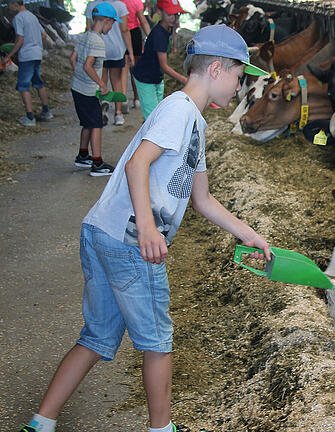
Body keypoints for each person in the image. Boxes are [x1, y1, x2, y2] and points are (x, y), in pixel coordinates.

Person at [17, 25, 271, 432]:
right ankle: (161, 429)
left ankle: (41, 422)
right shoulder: (179, 110)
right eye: (240, 78)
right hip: (131, 242)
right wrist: (149, 229)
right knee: (158, 342)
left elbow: (202, 199)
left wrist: (247, 233)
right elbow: (138, 165)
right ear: (219, 68)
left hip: (103, 231)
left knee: (97, 338)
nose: (239, 88)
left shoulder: (195, 124)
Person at [68, 3, 117, 176]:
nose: (111, 28)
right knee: (96, 124)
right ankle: (97, 163)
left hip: (77, 87)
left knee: (88, 122)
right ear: (106, 21)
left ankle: (83, 155)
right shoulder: (98, 41)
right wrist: (101, 84)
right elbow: (89, 66)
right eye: (112, 24)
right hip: (88, 91)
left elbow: (73, 58)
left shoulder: (84, 36)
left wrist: (79, 76)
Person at [131, 0, 187, 120]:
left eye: (176, 14)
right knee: (152, 117)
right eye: (170, 14)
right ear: (159, 12)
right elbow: (164, 66)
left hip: (156, 77)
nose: (174, 18)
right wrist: (184, 80)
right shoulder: (159, 35)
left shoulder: (168, 28)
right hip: (145, 78)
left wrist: (175, 32)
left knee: (158, 112)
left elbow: (172, 48)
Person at [85, 0, 133, 125]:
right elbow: (125, 29)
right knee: (116, 80)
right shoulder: (120, 5)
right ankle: (118, 114)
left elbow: (88, 29)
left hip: (98, 48)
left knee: (101, 80)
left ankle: (103, 106)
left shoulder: (92, 5)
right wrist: (130, 51)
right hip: (116, 49)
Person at [6, 0, 52, 127]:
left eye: (9, 4)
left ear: (15, 4)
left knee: (23, 85)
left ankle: (30, 117)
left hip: (26, 55)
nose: (8, 7)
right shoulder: (32, 16)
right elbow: (43, 35)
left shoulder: (18, 18)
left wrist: (8, 56)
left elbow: (20, 39)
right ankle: (46, 111)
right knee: (38, 82)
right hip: (37, 53)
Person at [123, 0, 151, 110]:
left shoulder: (118, 2)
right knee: (135, 68)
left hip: (120, 34)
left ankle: (123, 98)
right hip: (134, 33)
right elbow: (143, 20)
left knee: (121, 69)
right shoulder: (136, 2)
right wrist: (150, 36)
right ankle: (137, 98)